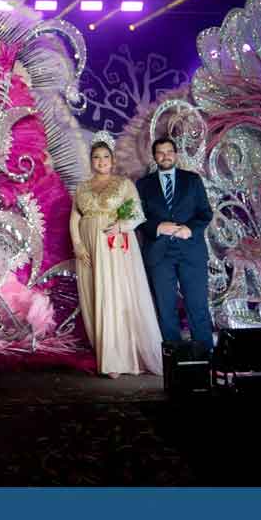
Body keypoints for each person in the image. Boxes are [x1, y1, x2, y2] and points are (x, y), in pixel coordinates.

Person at [70, 132, 162, 377]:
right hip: (89, 248)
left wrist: (121, 226)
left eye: (105, 157)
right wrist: (78, 244)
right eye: (96, 157)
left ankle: (121, 357)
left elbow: (137, 214)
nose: (101, 162)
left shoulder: (123, 184)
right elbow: (75, 216)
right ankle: (106, 353)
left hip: (114, 246)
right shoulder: (82, 187)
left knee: (115, 294)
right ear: (91, 161)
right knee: (95, 295)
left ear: (112, 160)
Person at [136, 138, 215, 349]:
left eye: (169, 151)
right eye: (160, 153)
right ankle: (175, 362)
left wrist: (190, 229)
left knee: (197, 306)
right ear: (154, 157)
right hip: (159, 253)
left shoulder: (192, 180)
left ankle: (206, 357)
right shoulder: (143, 184)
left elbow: (205, 213)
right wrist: (158, 227)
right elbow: (138, 218)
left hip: (191, 252)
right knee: (166, 308)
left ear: (176, 154)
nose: (165, 156)